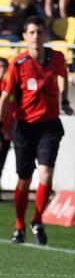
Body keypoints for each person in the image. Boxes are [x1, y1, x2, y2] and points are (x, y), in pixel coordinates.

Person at [0, 16, 74, 245]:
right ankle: (20, 225)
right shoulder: (18, 64)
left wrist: (64, 100)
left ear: (45, 35)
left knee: (46, 174)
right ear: (24, 36)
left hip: (49, 125)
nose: (36, 37)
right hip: (24, 126)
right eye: (31, 33)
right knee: (24, 178)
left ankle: (38, 220)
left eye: (39, 32)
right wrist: (3, 125)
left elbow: (63, 77)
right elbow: (5, 96)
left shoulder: (57, 57)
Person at [0, 58, 13, 195]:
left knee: (2, 161)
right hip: (3, 129)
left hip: (8, 130)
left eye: (3, 66)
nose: (1, 69)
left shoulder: (11, 87)